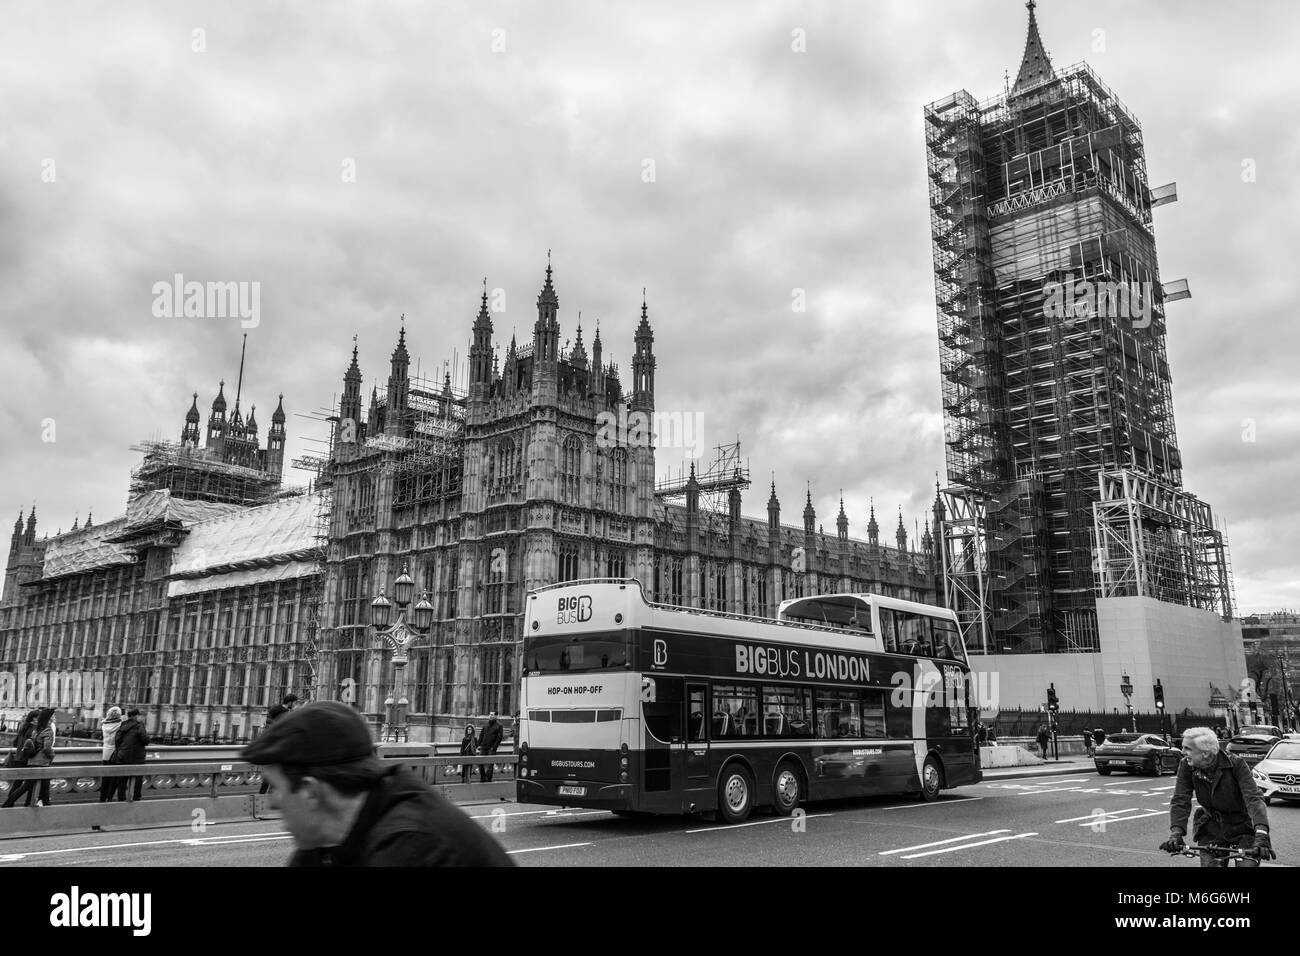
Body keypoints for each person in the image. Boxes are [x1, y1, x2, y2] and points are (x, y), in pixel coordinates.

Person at [240, 701, 513, 866]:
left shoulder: (412, 845)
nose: (273, 801)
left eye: (277, 787)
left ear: (312, 793)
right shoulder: (327, 837)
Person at [1160, 726, 1274, 868]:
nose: (1182, 752)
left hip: (1243, 827)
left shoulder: (1236, 764)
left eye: (1187, 748)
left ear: (1205, 753)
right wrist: (1176, 833)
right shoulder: (1186, 766)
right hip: (1211, 826)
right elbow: (1180, 800)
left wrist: (1262, 834)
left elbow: (1254, 798)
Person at [1, 710, 40, 809]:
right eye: (39, 717)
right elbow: (33, 747)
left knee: (17, 783)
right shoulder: (34, 729)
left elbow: (15, 743)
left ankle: (10, 803)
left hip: (19, 758)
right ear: (34, 718)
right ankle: (13, 803)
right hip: (27, 759)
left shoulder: (23, 728)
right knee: (28, 784)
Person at [112, 708, 151, 802]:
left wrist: (121, 750)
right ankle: (136, 797)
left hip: (123, 755)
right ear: (136, 716)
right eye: (138, 715)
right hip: (137, 756)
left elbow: (117, 740)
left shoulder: (123, 725)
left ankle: (121, 798)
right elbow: (145, 740)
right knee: (138, 778)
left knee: (122, 778)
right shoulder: (139, 726)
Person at [258, 705, 289, 795]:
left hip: (274, 761)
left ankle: (263, 798)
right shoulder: (274, 728)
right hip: (274, 761)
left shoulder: (274, 726)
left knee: (269, 783)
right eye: (285, 716)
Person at [99, 706, 124, 803]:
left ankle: (102, 797)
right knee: (114, 777)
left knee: (105, 777)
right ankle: (109, 797)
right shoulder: (120, 725)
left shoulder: (104, 725)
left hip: (105, 753)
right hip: (115, 753)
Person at [478, 712, 504, 782]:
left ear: (496, 716)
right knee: (479, 763)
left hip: (491, 748)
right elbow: (481, 735)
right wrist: (478, 744)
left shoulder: (499, 725)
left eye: (492, 715)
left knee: (490, 765)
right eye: (490, 714)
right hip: (483, 747)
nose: (490, 716)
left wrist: (494, 747)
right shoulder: (486, 724)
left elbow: (499, 738)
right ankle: (483, 777)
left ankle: (488, 779)